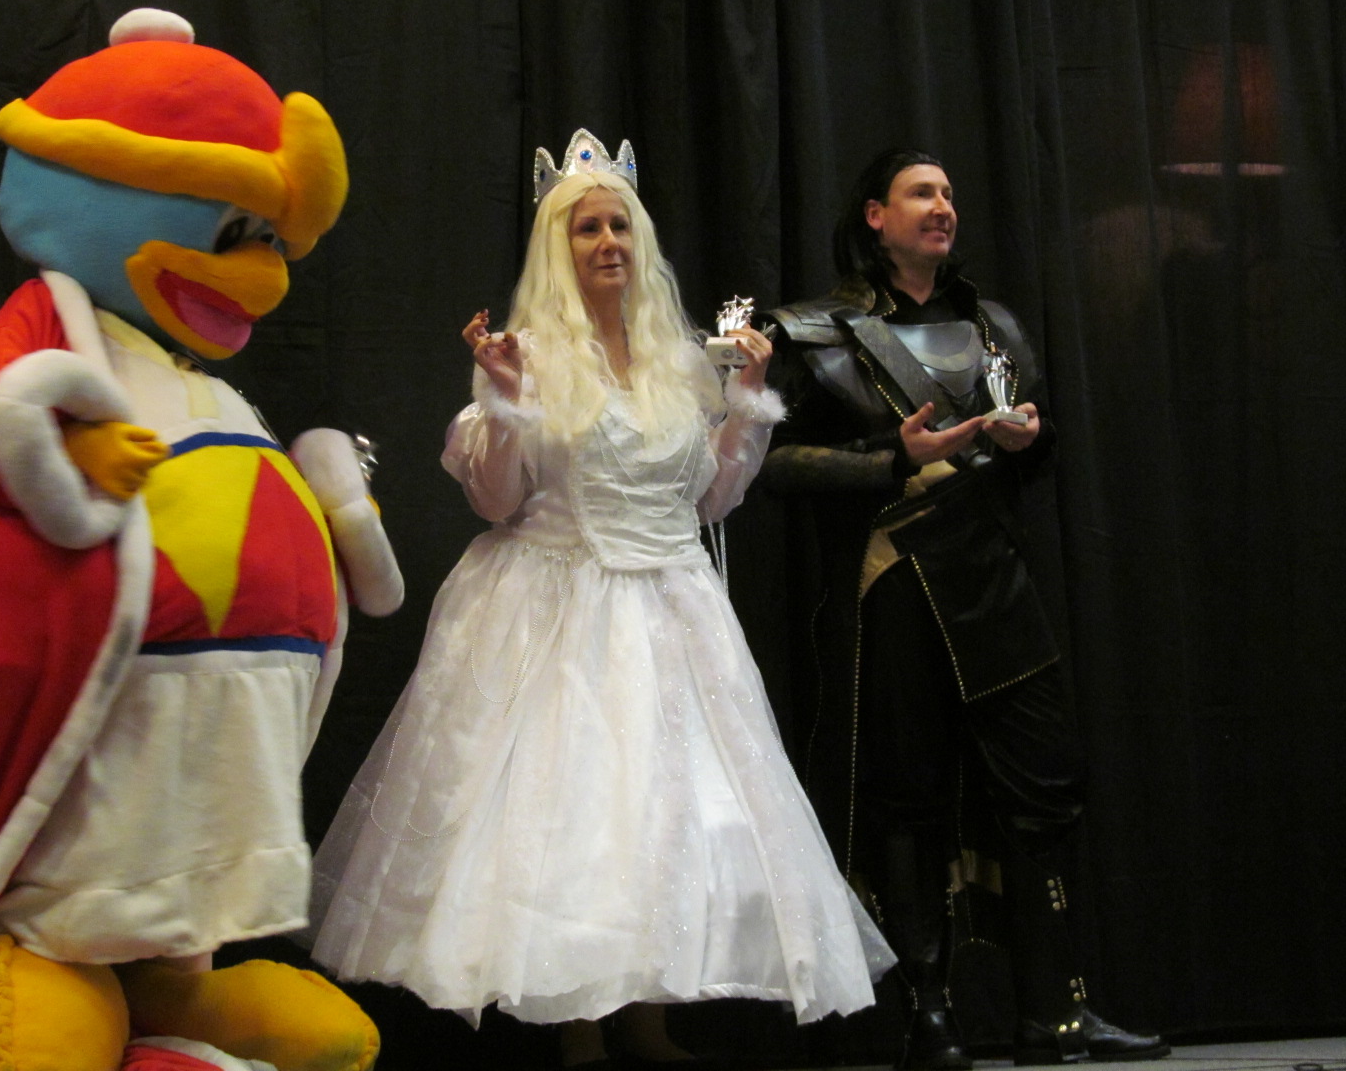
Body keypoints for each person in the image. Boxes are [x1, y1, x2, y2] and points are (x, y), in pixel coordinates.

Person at [309, 131, 893, 1067]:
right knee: (570, 822)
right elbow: (495, 500)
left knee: (667, 819)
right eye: (587, 229)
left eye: (620, 225)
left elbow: (709, 501)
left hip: (670, 612)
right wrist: (508, 403)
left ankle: (648, 1023)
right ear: (559, 247)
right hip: (556, 611)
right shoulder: (527, 357)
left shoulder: (680, 360)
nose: (609, 242)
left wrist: (746, 401)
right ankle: (578, 1034)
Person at [761, 149, 1170, 1068]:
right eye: (921, 193)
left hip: (995, 575)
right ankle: (929, 1016)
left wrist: (1028, 438)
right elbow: (769, 467)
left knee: (1043, 788)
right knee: (908, 797)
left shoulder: (996, 325)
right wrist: (890, 460)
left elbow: (1034, 440)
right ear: (876, 215)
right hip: (897, 580)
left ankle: (1054, 1013)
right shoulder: (815, 331)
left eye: (949, 193)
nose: (942, 206)